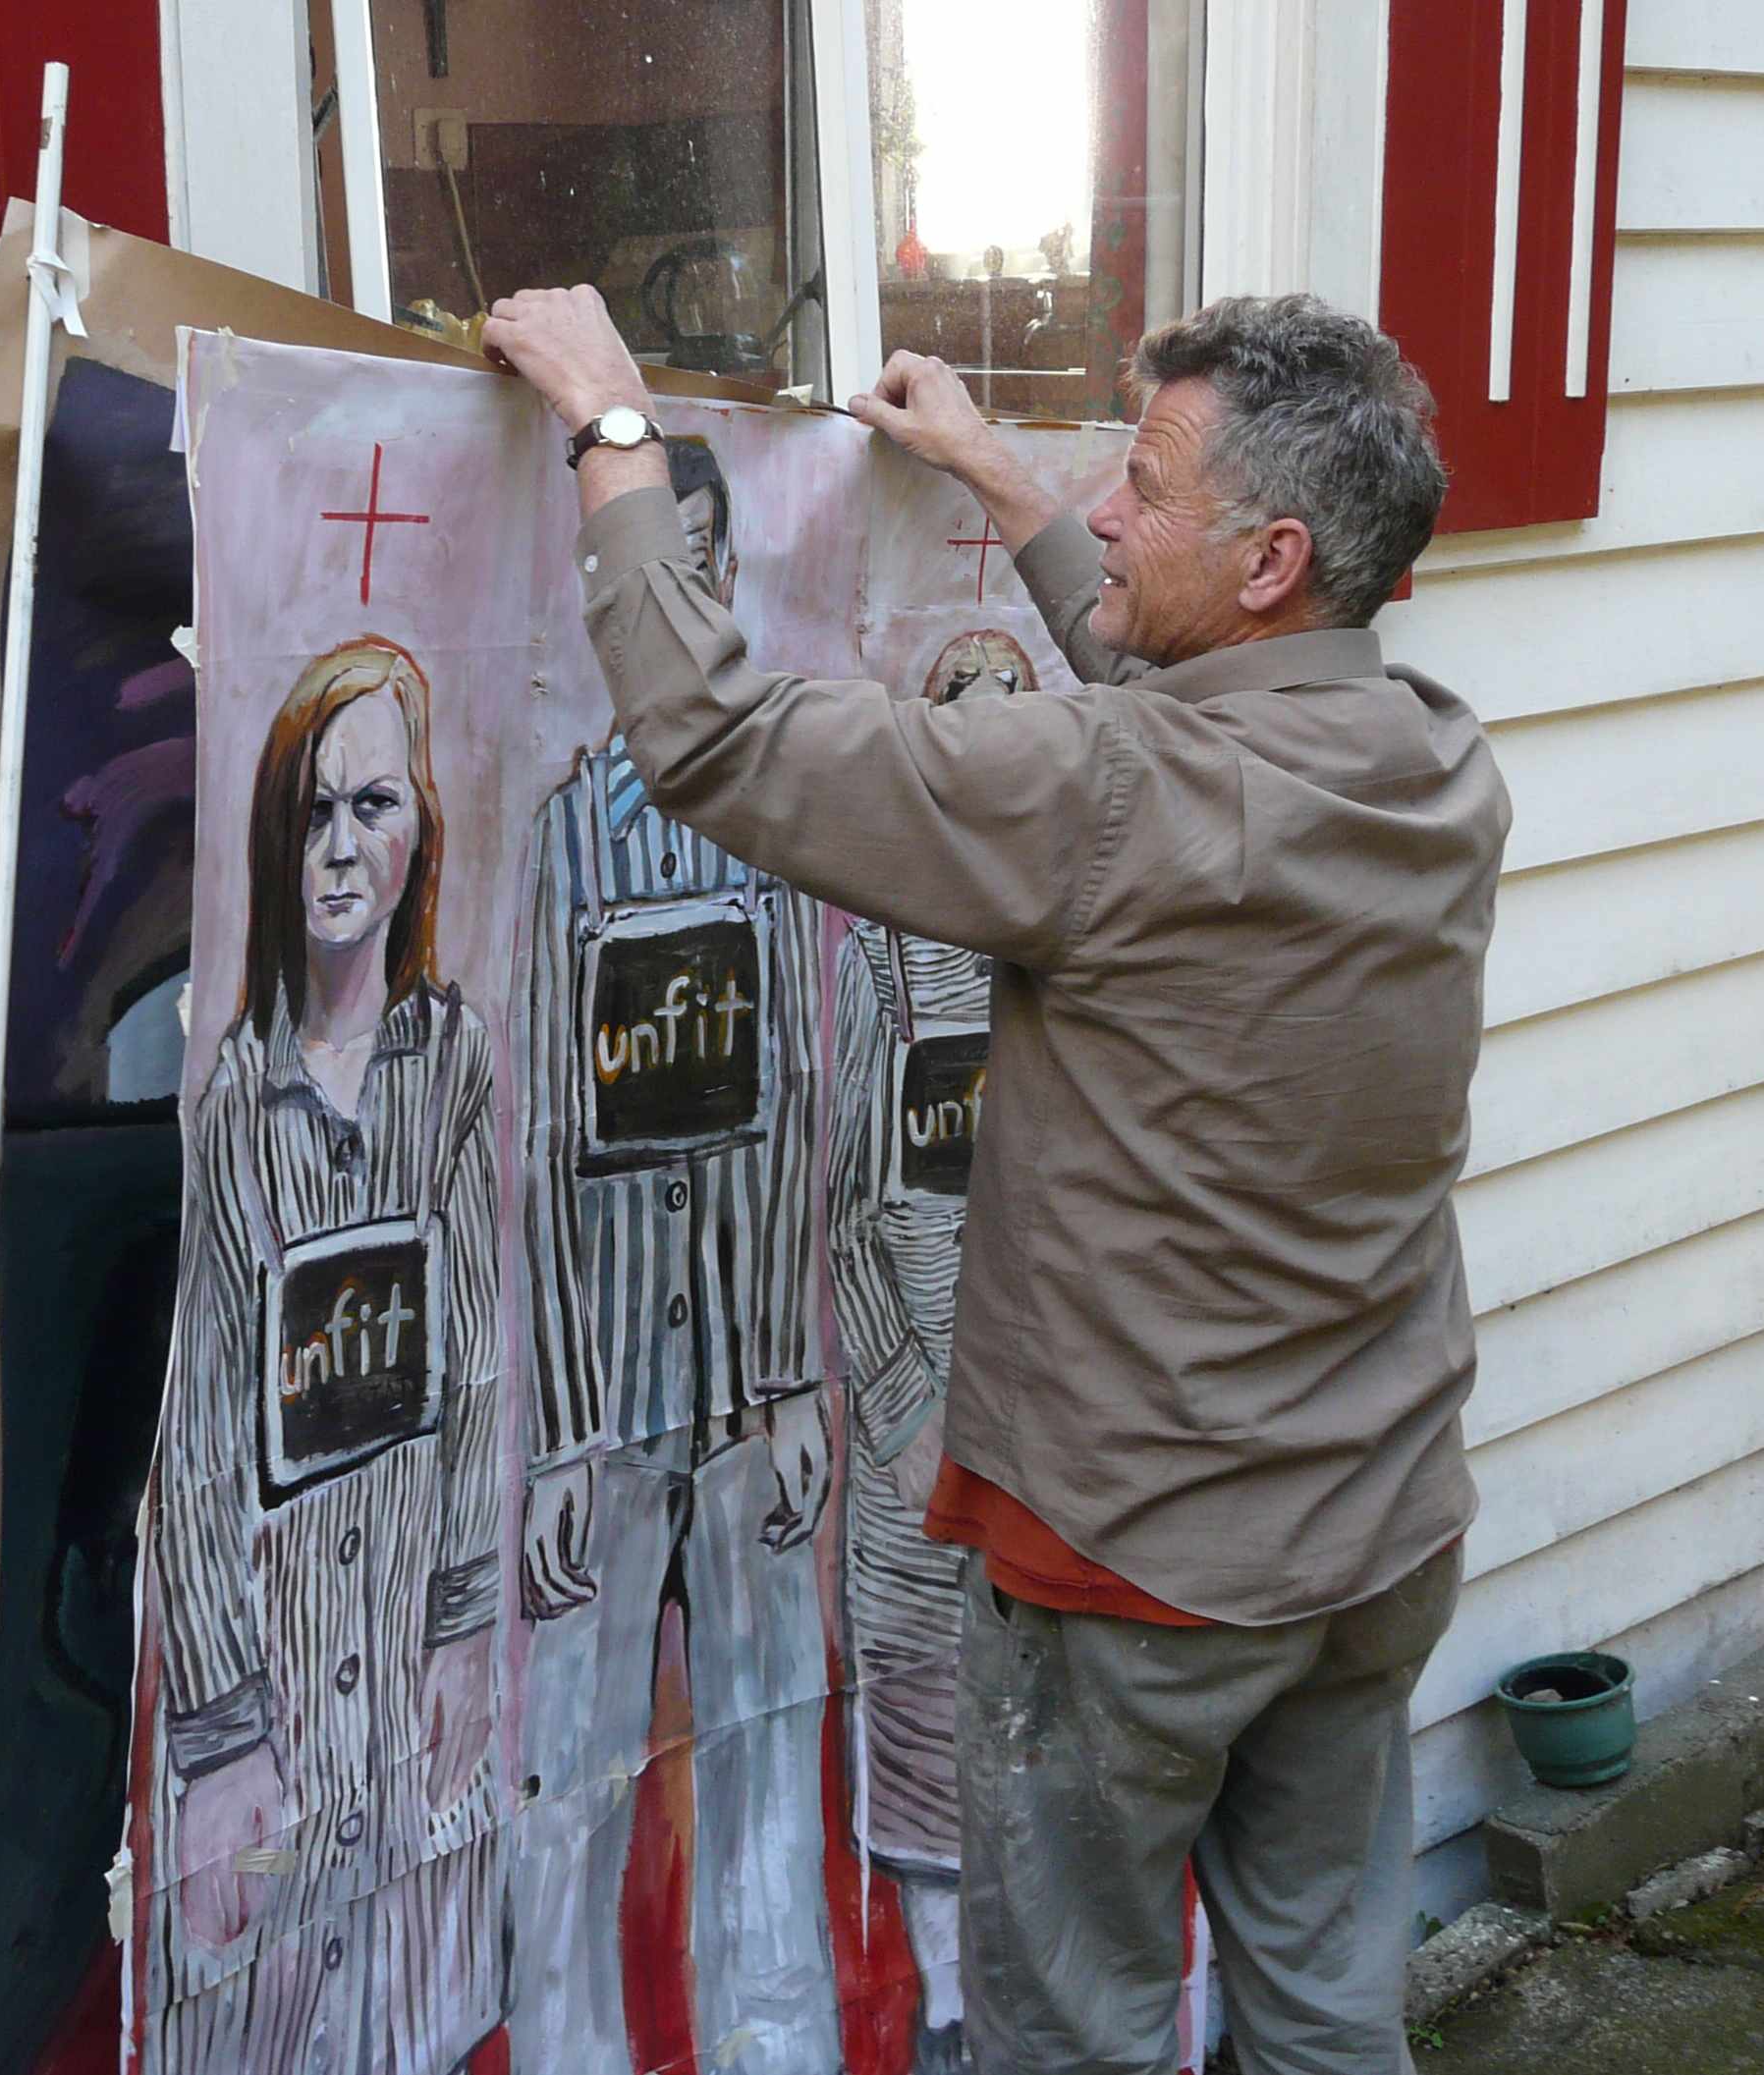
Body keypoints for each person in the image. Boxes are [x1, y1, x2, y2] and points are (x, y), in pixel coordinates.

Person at [483, 286, 1510, 2075]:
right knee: (1328, 2003)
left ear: (1269, 560)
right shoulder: (1432, 757)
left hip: (1135, 1570)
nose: (1103, 505)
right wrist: (991, 472)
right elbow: (1180, 733)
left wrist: (613, 427)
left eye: (1145, 486)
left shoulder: (1115, 796)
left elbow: (721, 742)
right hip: (1375, 1531)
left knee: (1074, 2029)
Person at [512, 432, 841, 2075]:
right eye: (665, 561)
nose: (691, 592)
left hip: (750, 1380)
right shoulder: (558, 841)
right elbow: (544, 1159)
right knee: (568, 1786)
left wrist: (789, 1381)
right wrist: (567, 1431)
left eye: (712, 561)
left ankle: (774, 2048)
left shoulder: (780, 826)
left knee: (769, 1758)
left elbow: (794, 1109)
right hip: (609, 1402)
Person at [138, 637, 507, 2075]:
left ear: (420, 830)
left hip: (411, 1652)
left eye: (375, 806)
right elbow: (203, 1433)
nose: (343, 848)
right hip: (281, 1683)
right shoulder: (236, 1100)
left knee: (409, 2006)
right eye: (314, 811)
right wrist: (223, 1734)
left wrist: (468, 1618)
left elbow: (473, 1361)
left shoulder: (454, 1061)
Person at [827, 629, 1041, 2075]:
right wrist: (903, 1413)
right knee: (921, 1753)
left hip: (1052, 1447)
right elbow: (838, 1215)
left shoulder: (1068, 943)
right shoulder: (883, 965)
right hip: (916, 1465)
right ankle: (952, 2026)